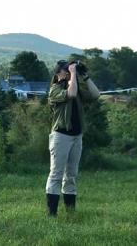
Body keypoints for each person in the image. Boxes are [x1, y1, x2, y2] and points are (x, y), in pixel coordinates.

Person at [45, 58, 100, 216]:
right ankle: (52, 213)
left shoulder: (76, 88)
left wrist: (85, 76)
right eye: (67, 70)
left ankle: (70, 212)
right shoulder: (54, 89)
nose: (70, 72)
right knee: (56, 174)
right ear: (59, 73)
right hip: (61, 136)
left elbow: (96, 95)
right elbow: (71, 93)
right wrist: (74, 73)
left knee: (71, 175)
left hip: (77, 136)